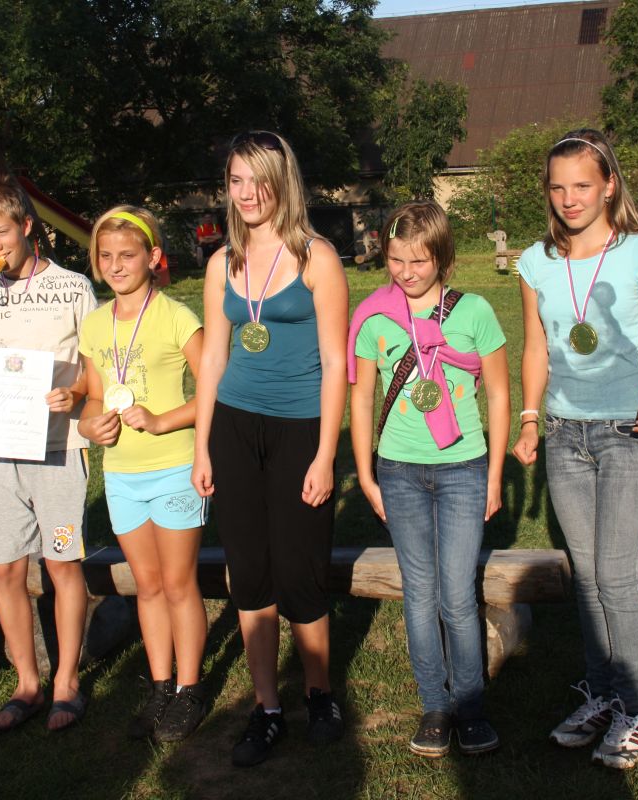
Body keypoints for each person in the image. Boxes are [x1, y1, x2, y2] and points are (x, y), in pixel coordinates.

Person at [511, 128, 638, 769]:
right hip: (565, 434)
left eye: (582, 185)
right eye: (558, 187)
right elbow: (535, 346)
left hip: (628, 433)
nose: (570, 198)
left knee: (615, 575)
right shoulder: (535, 262)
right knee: (586, 578)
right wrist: (531, 419)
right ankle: (604, 693)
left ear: (609, 184)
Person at [191, 130, 348, 767]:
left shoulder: (317, 258)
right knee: (250, 572)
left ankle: (319, 694)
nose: (247, 193)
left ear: (283, 182)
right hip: (234, 427)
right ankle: (267, 708)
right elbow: (213, 360)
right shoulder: (222, 262)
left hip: (299, 429)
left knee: (301, 569)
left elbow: (337, 363)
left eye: (259, 180)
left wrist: (325, 455)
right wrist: (202, 447)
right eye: (236, 180)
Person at [348, 201, 509, 758]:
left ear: (443, 258)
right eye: (395, 260)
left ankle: (470, 706)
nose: (406, 272)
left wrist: (494, 476)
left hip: (464, 470)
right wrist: (365, 474)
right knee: (419, 594)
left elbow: (499, 394)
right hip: (399, 472)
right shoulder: (374, 317)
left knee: (457, 596)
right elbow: (360, 398)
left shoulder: (475, 311)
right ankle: (434, 706)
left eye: (418, 261)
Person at [0, 176, 96, 732]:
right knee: (5, 567)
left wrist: (75, 392)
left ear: (27, 226)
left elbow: (95, 363)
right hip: (0, 451)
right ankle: (27, 683)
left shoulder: (73, 287)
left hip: (60, 449)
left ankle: (67, 682)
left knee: (61, 562)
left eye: (1, 233)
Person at [77, 206, 210, 743]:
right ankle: (159, 686)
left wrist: (160, 421)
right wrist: (90, 425)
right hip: (122, 474)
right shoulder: (94, 324)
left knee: (178, 584)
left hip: (174, 467)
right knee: (148, 587)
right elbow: (92, 397)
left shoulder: (177, 317)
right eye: (106, 256)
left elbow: (214, 391)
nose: (115, 265)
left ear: (152, 257)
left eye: (127, 255)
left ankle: (189, 688)